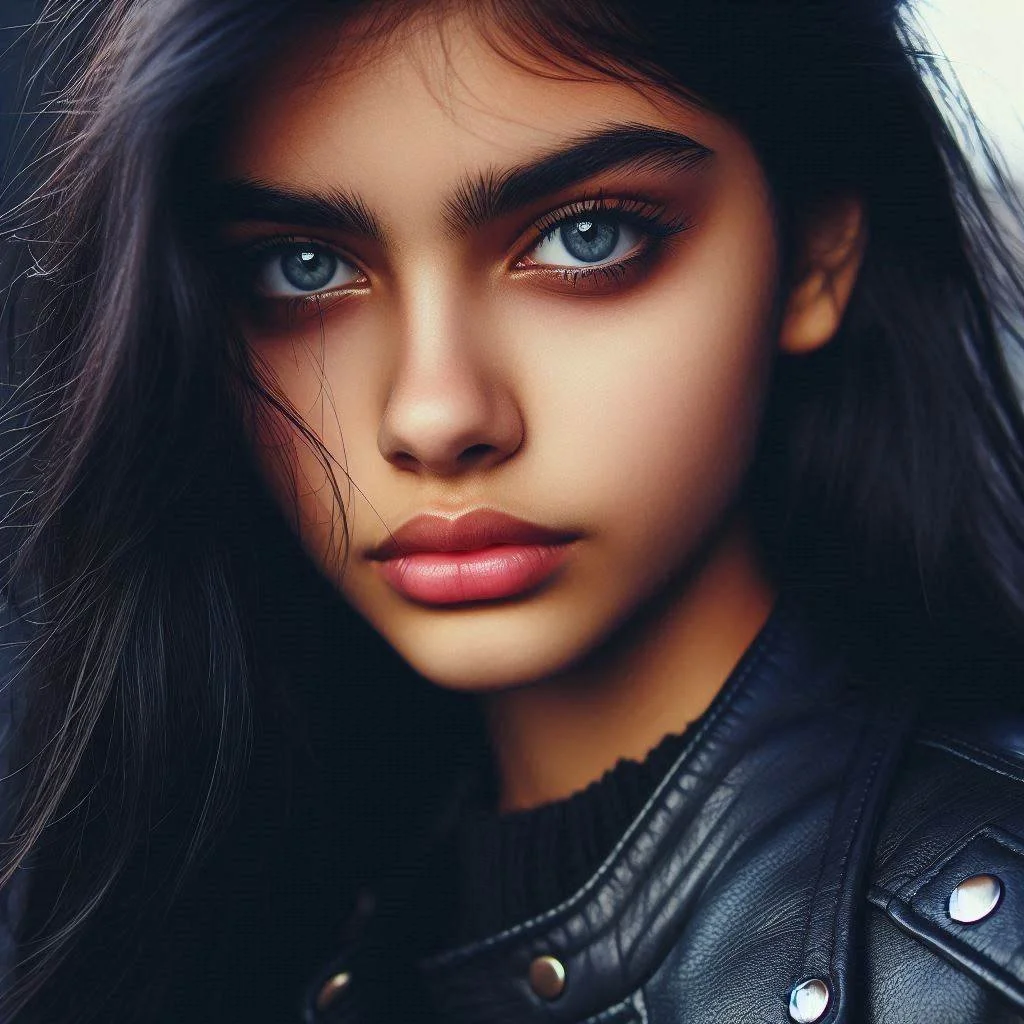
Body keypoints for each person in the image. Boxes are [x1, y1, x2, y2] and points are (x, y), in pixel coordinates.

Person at [1, 0, 1023, 1020]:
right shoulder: (229, 915)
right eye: (302, 266)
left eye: (585, 237)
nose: (436, 414)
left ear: (812, 256)